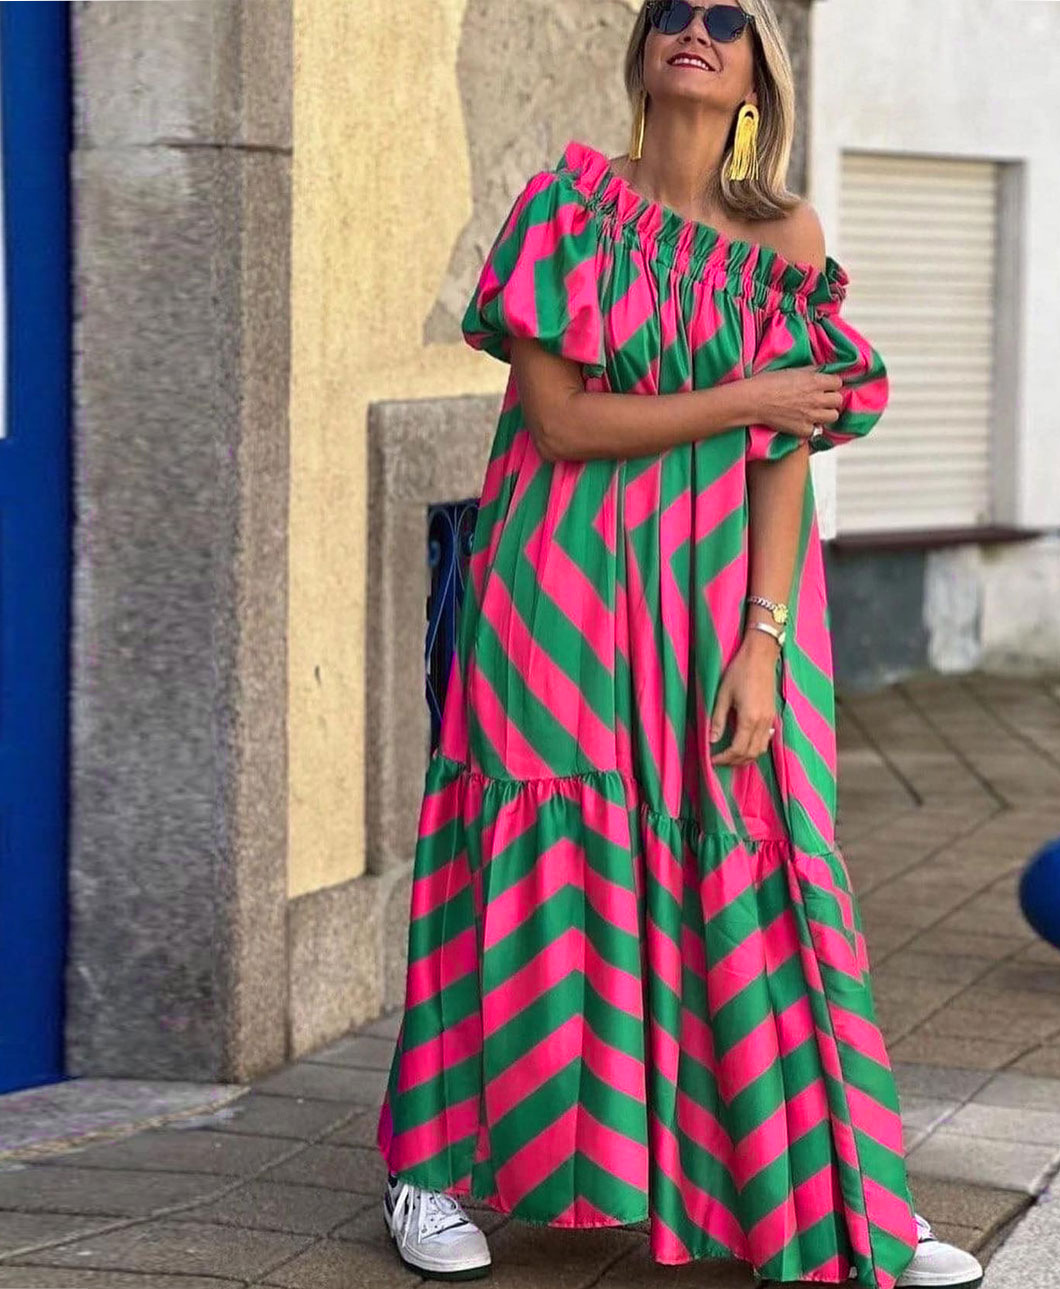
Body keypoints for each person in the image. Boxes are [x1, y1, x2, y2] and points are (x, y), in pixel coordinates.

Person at [375, 3, 985, 1286]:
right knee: (525, 861)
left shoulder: (785, 237)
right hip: (553, 587)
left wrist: (764, 640)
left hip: (715, 601)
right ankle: (431, 1163)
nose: (692, 29)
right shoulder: (565, 209)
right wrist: (748, 394)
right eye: (670, 13)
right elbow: (561, 424)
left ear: (760, 70)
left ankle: (830, 1197)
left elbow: (785, 456)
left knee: (762, 864)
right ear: (640, 56)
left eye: (724, 17)